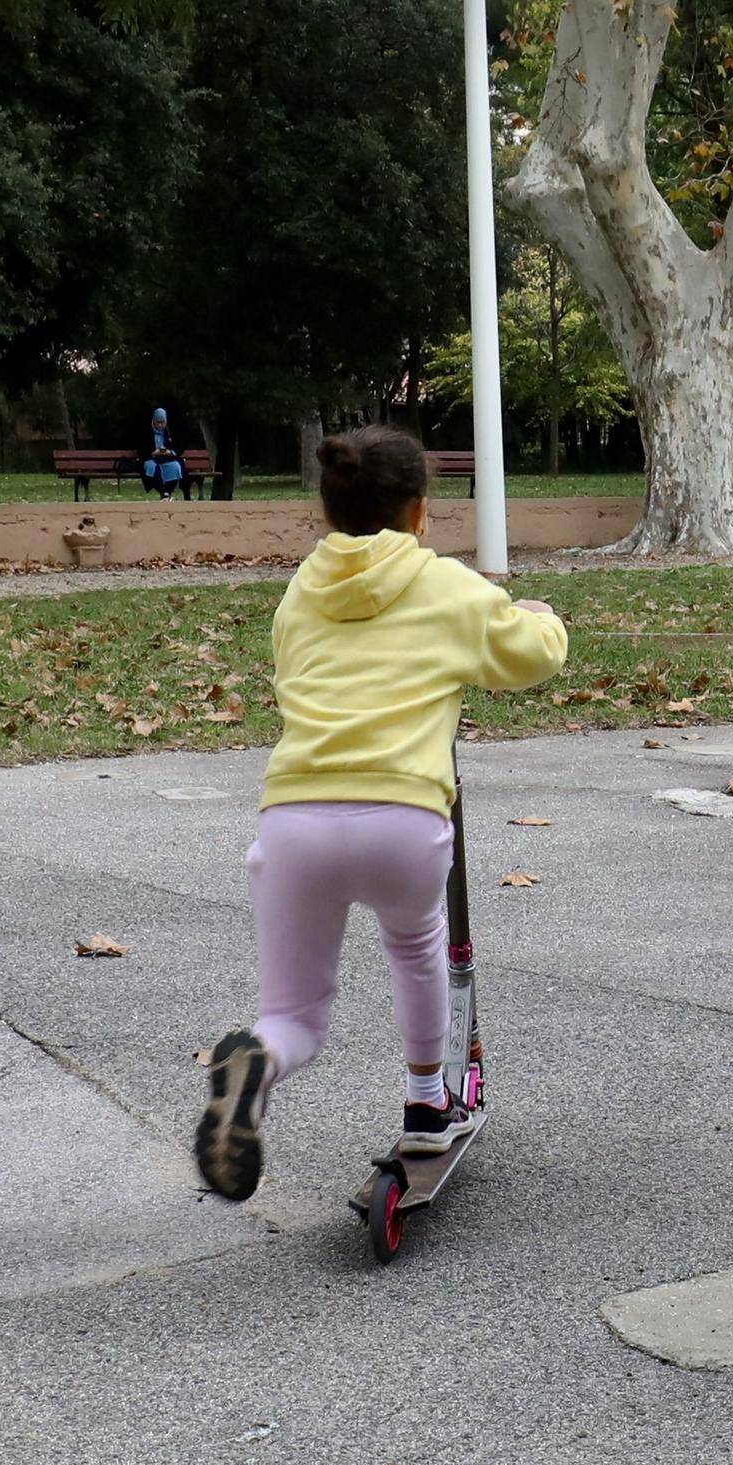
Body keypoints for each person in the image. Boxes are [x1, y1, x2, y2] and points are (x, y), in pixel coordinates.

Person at [193, 428, 568, 1200]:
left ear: (328, 512)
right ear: (421, 511)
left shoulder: (301, 589)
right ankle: (429, 1099)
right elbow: (530, 655)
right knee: (415, 939)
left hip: (295, 817)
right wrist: (540, 613)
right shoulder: (445, 585)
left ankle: (256, 1060)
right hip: (401, 816)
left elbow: (291, 668)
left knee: (293, 1014)